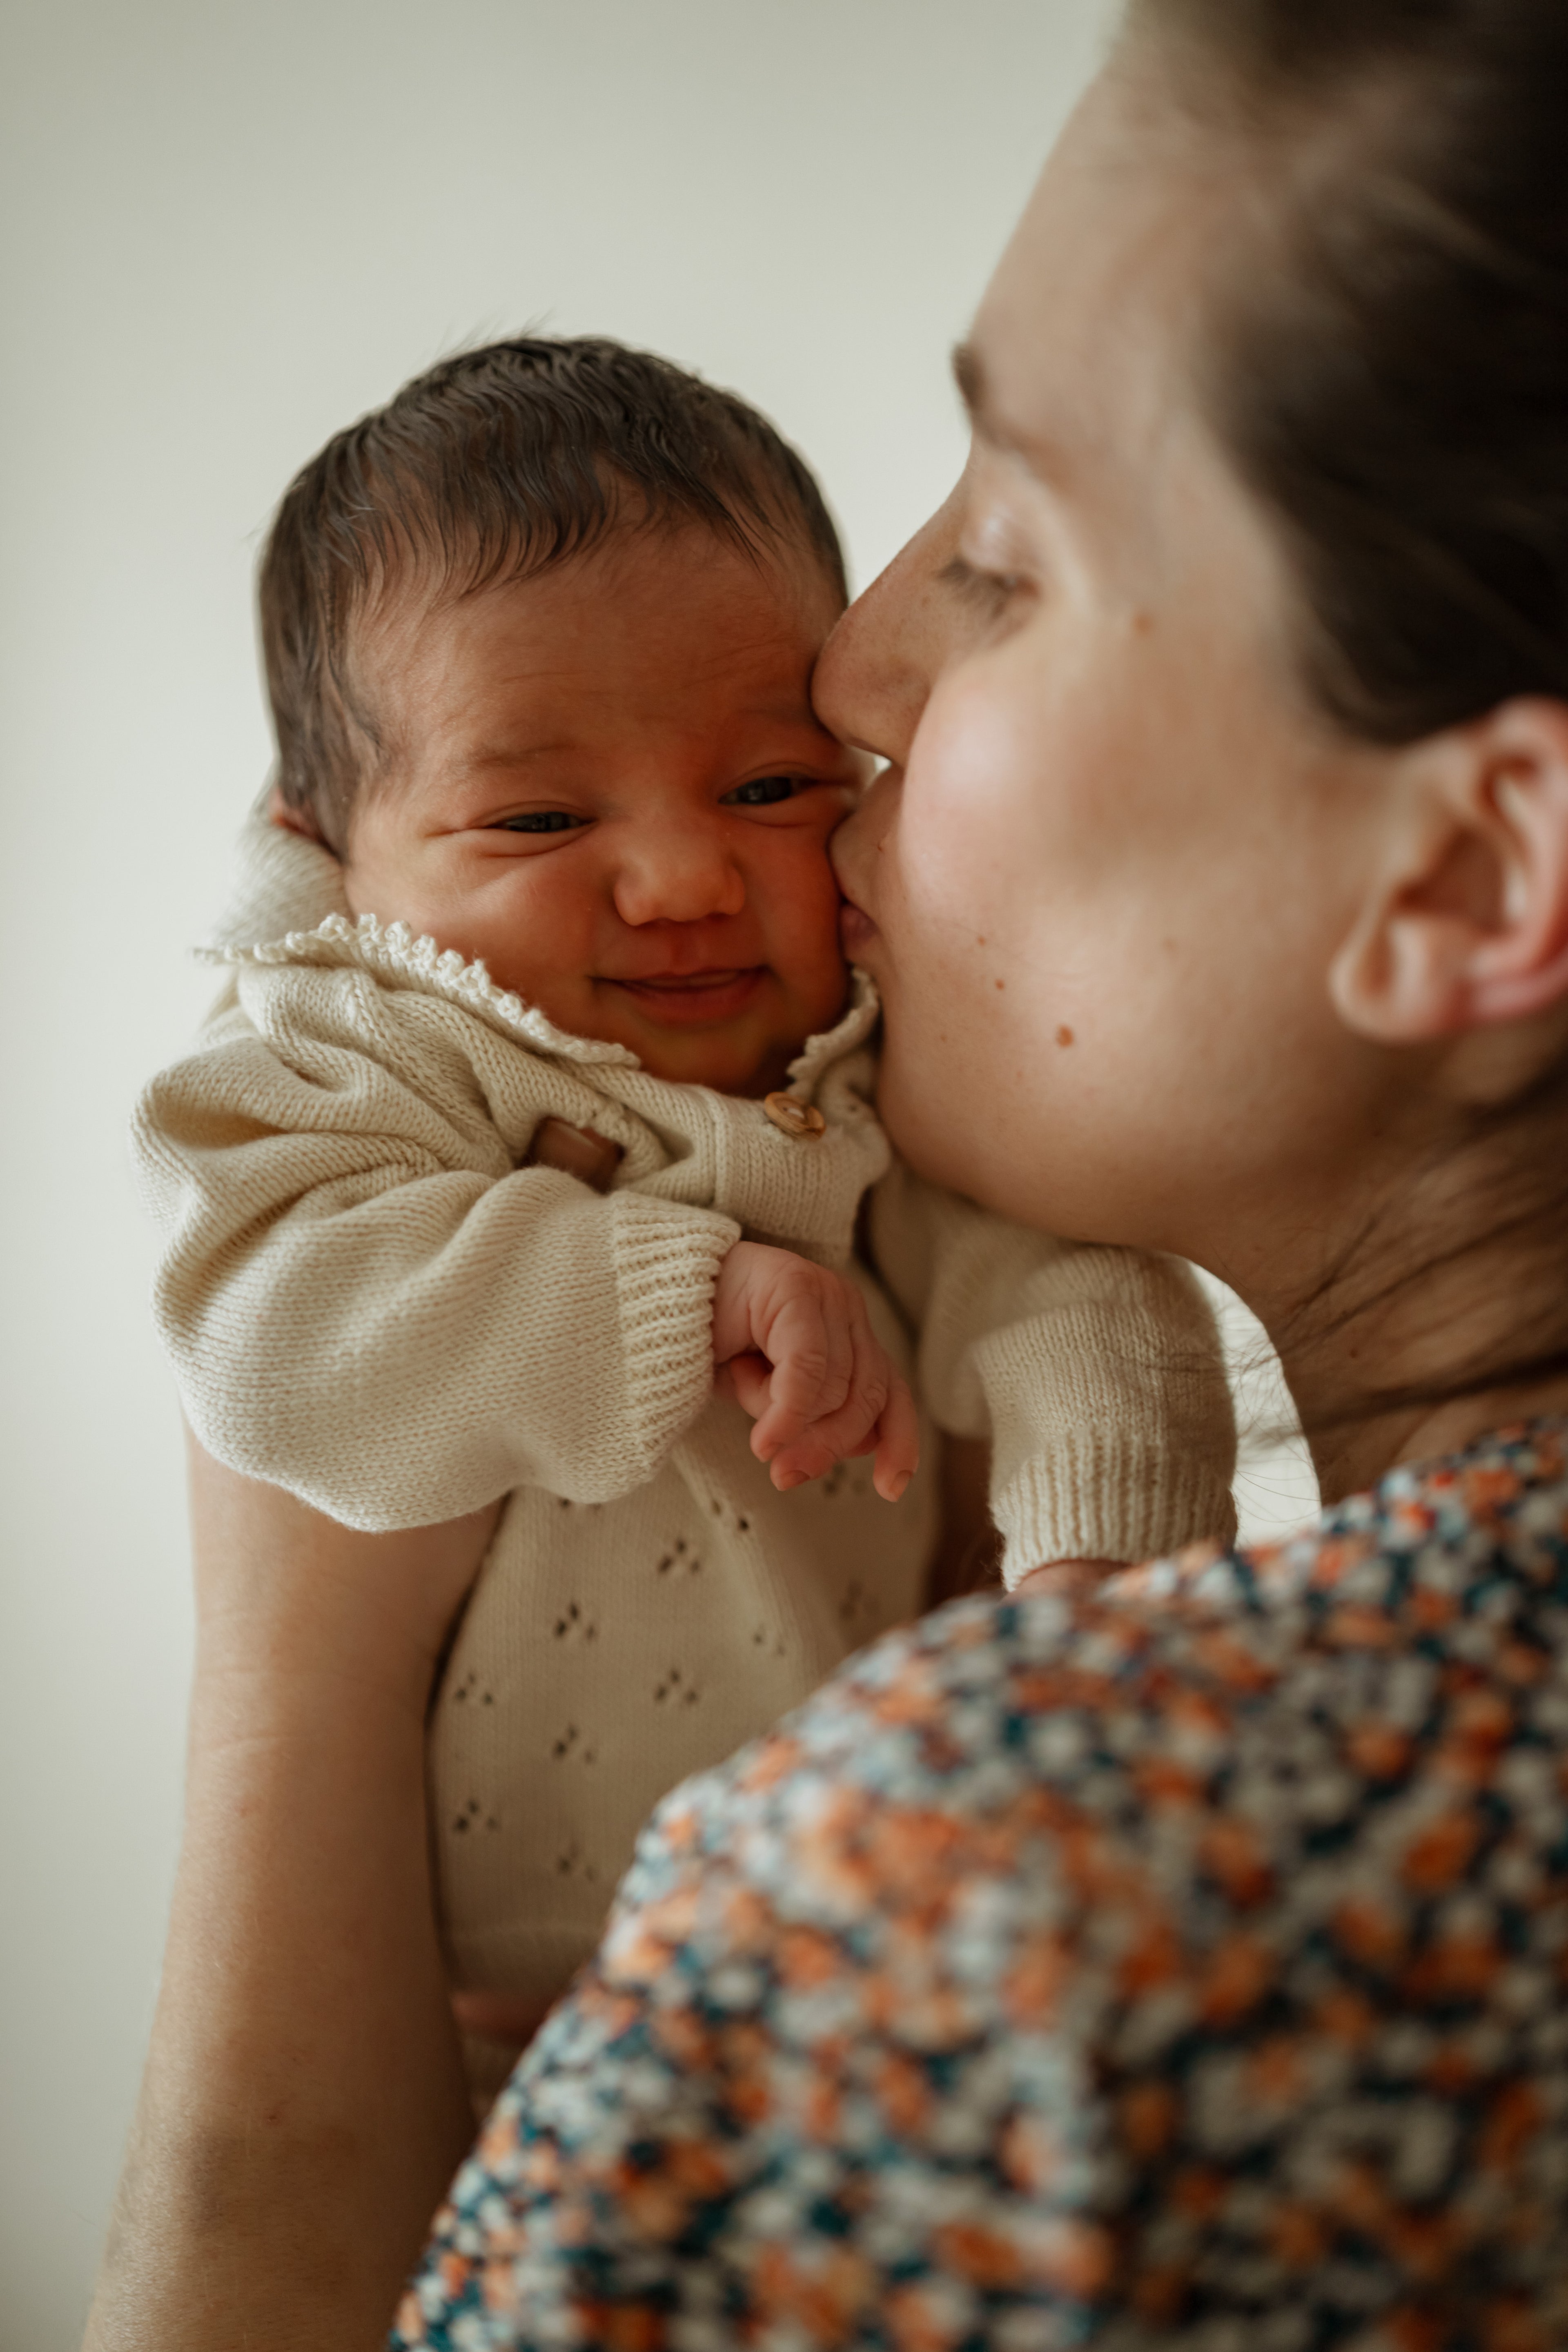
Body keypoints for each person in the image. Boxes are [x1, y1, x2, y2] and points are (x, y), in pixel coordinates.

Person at [87, 0, 1568, 2344]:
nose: (852, 673)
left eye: (1008, 550)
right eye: (543, 810)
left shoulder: (980, 1895)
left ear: (1481, 878)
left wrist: (296, 1660)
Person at [129, 335, 1234, 2086]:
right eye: (543, 814)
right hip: (486, 2002)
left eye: (772, 787)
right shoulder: (359, 1043)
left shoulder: (872, 1058)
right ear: (325, 843)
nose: (684, 879)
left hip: (862, 1936)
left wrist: (1102, 1576)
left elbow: (1073, 1287)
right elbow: (273, 1343)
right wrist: (680, 1286)